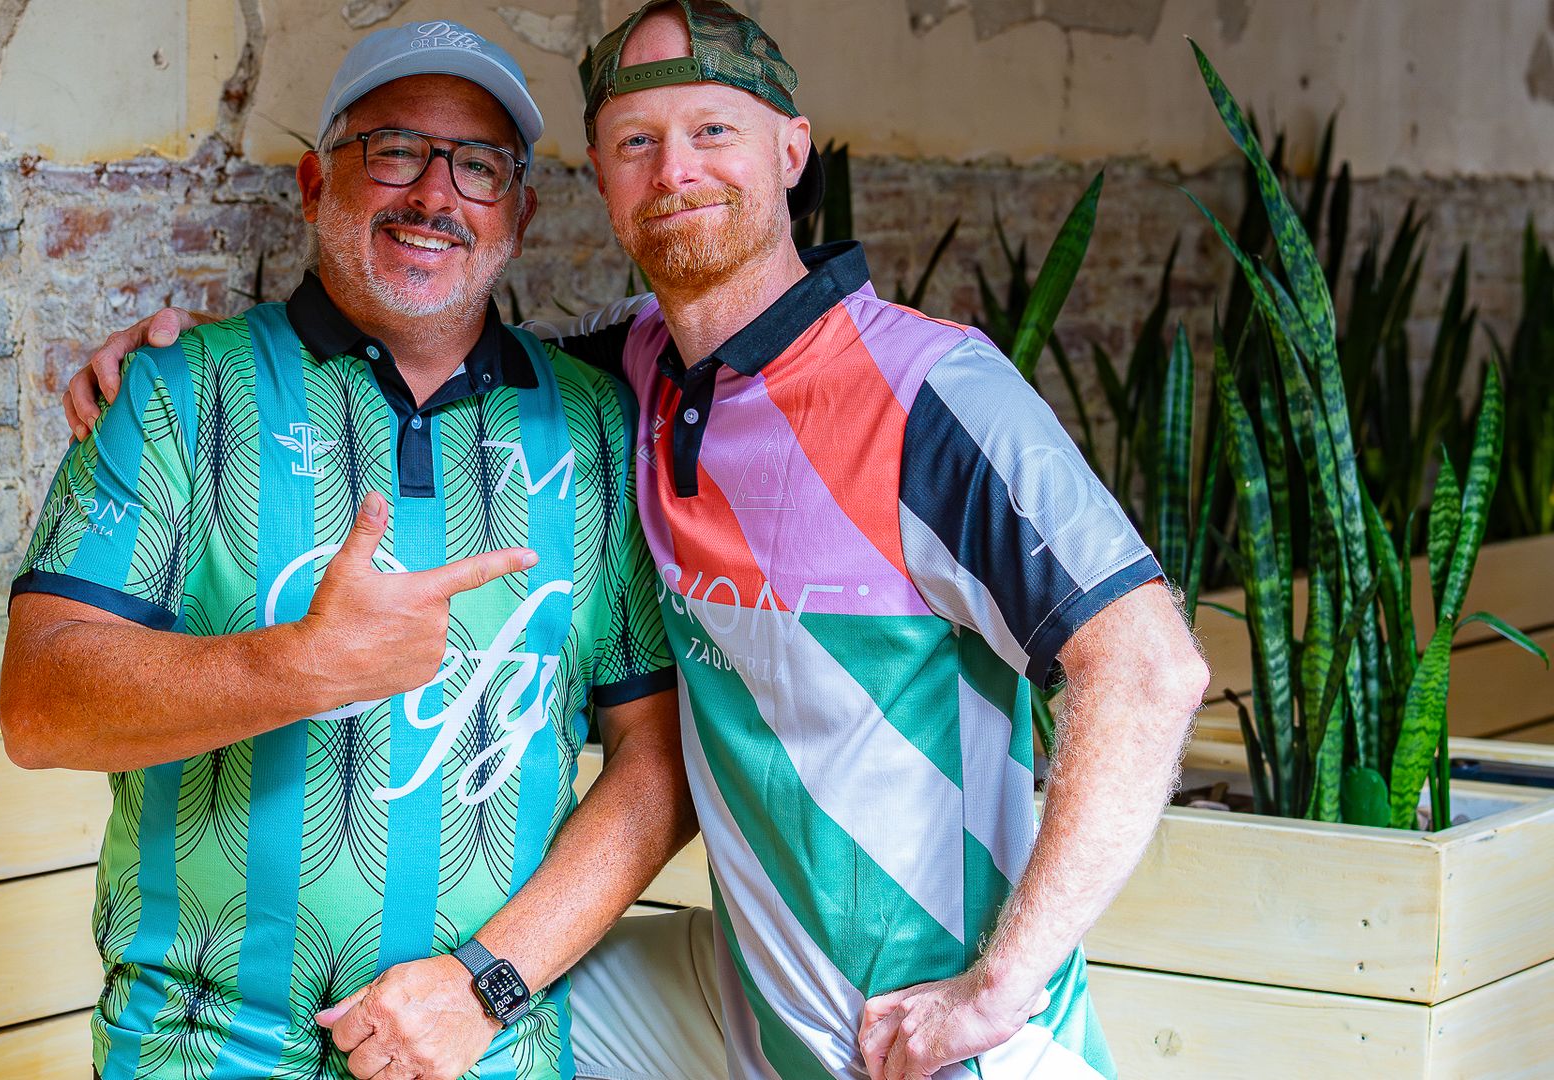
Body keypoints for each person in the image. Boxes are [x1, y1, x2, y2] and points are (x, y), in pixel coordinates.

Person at [70, 3, 1210, 1078]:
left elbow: (1151, 666)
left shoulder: (932, 391)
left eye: (714, 130)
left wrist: (1001, 986)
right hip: (741, 1000)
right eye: (634, 142)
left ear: (792, 151)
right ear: (598, 189)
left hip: (933, 1032)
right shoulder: (628, 378)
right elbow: (417, 326)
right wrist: (177, 359)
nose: (676, 173)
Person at [0, 20, 699, 1080]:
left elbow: (655, 763)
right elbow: (39, 704)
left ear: (519, 212)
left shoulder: (598, 427)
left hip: (485, 1047)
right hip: (199, 1046)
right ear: (316, 181)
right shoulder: (178, 394)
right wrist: (298, 666)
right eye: (394, 151)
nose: (434, 194)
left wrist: (486, 984)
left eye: (478, 165)